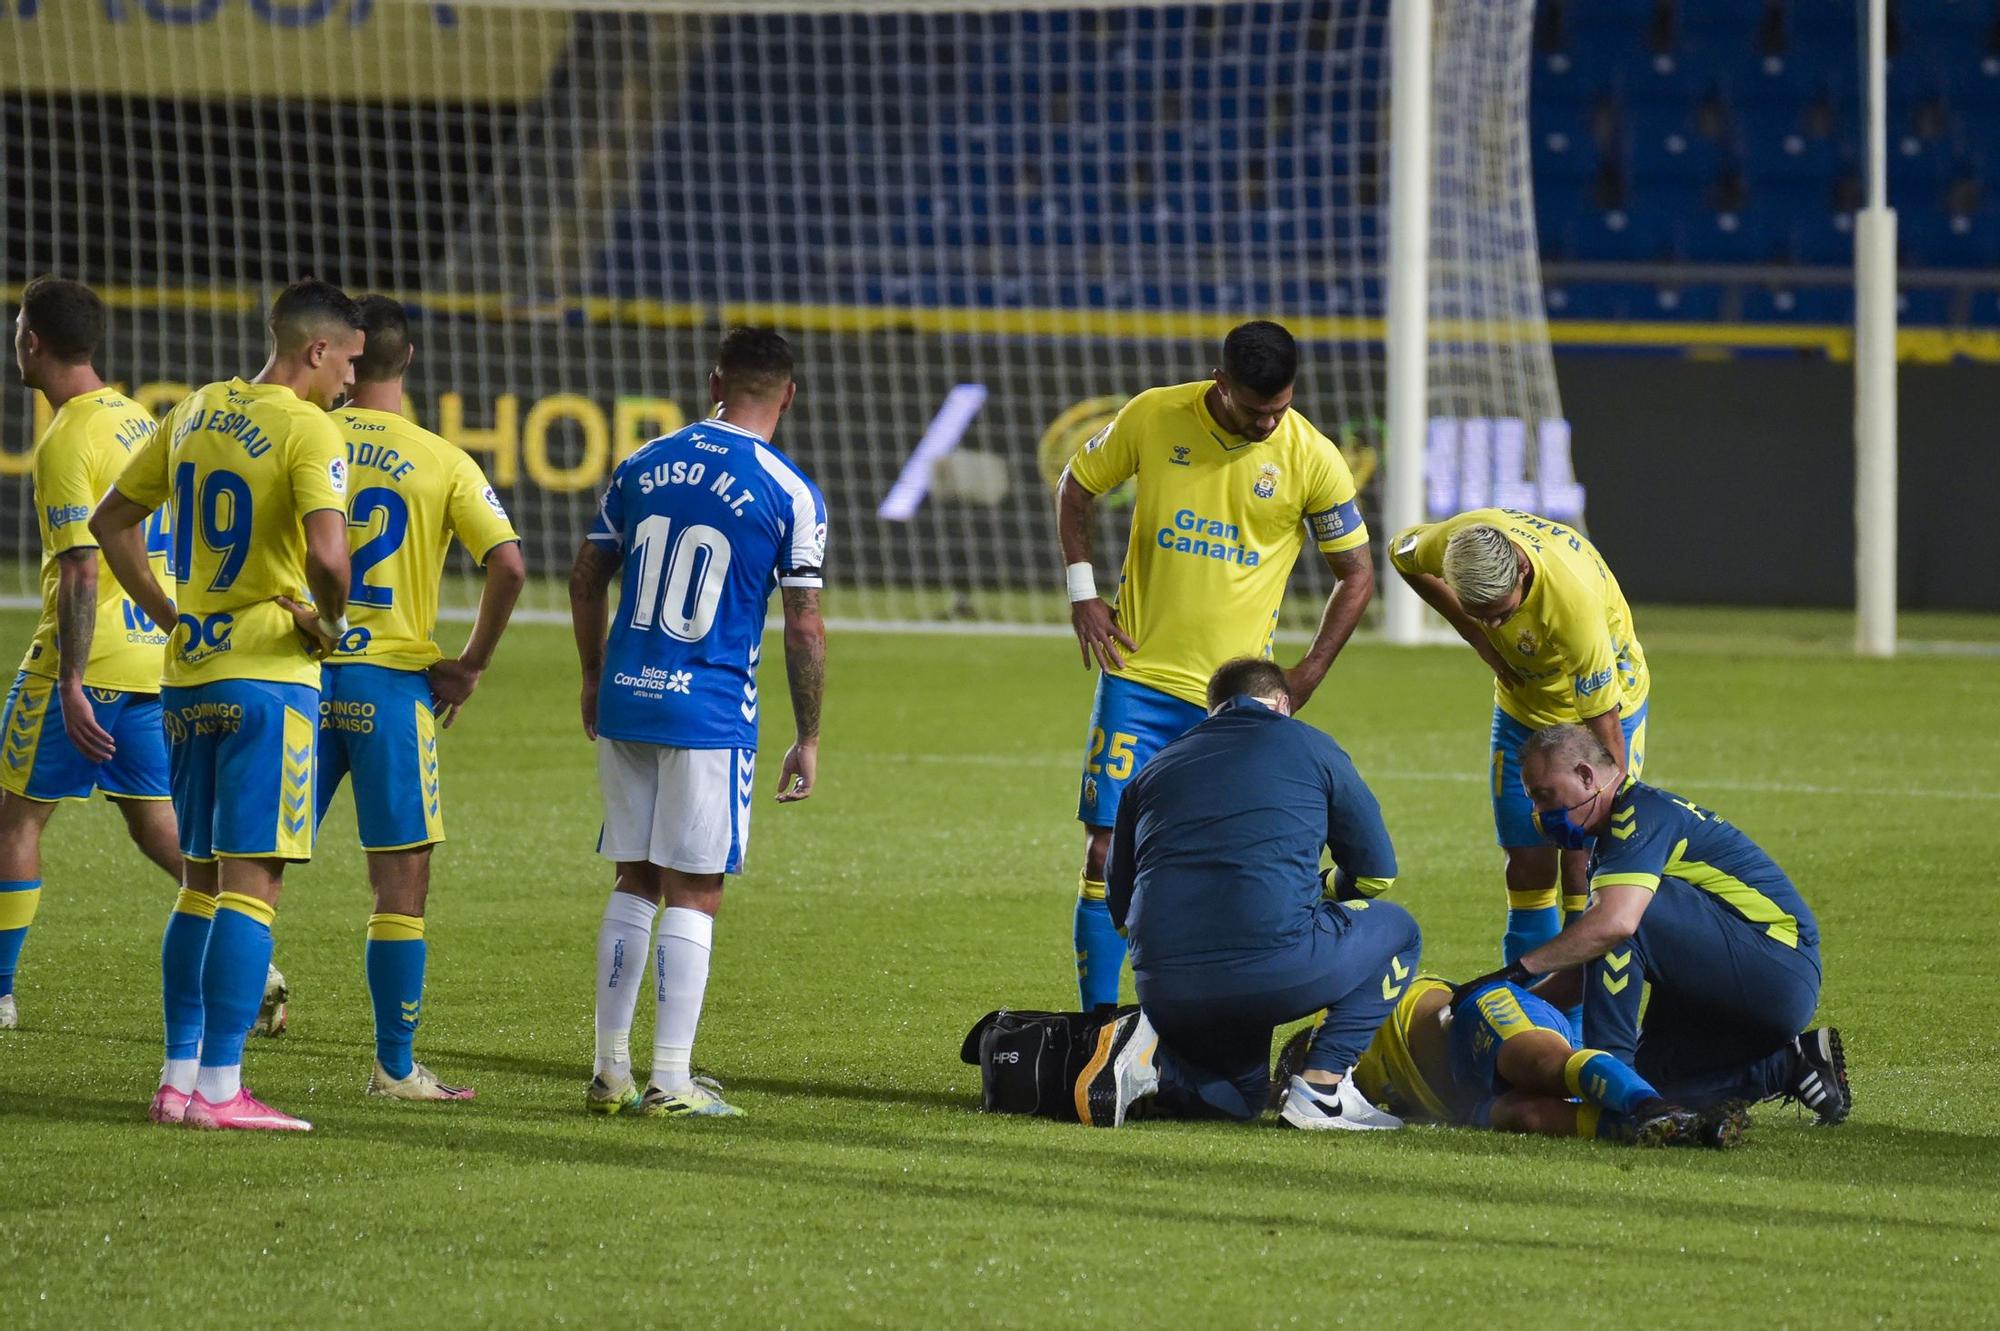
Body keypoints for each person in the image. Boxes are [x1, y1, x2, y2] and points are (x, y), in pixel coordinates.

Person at [92, 278, 361, 1132]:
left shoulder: (197, 407)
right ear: (316, 350)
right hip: (268, 679)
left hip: (187, 674)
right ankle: (221, 1088)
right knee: (254, 885)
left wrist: (170, 612)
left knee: (198, 885)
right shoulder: (309, 426)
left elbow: (112, 520)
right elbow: (328, 554)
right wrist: (333, 620)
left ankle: (177, 1080)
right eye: (348, 361)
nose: (351, 380)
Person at [1057, 320, 1375, 1010]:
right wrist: (1085, 595)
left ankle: (1202, 1014)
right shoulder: (1153, 415)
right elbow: (1076, 488)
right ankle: (1100, 1022)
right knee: (1107, 854)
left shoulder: (1313, 458)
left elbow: (1356, 573)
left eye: (1280, 407)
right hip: (1138, 681)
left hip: (1235, 708)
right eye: (1254, 407)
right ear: (1218, 380)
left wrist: (1309, 672)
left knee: (1230, 865)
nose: (1268, 421)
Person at [569, 327, 827, 1119]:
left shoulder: (641, 463)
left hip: (627, 694)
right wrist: (809, 734)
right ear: (788, 393)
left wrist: (591, 674)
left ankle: (609, 1070)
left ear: (714, 379)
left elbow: (585, 576)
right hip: (708, 707)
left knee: (634, 873)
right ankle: (671, 1081)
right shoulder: (789, 489)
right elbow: (804, 623)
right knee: (697, 884)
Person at [317, 295, 526, 1100]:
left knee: (245, 868)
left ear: (344, 355)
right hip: (391, 684)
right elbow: (507, 563)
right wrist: (468, 665)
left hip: (298, 671)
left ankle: (201, 1062)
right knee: (400, 878)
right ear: (406, 362)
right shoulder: (441, 459)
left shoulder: (306, 434)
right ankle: (393, 1067)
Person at [1078, 657, 1418, 1130]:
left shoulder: (1155, 767)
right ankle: (1321, 1089)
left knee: (1241, 1099)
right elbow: (1377, 874)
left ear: (1211, 710)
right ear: (1283, 704)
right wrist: (1322, 890)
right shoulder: (1312, 746)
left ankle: (1152, 1067)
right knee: (1400, 931)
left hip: (1168, 988)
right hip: (1271, 969)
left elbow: (1119, 909)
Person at [1458, 723, 1850, 1125]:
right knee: (1652, 1093)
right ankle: (1791, 1066)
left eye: (1544, 796)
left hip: (1776, 967)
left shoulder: (1636, 816)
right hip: (1745, 980)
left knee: (1614, 926)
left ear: (1585, 775)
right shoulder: (1618, 835)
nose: (1539, 814)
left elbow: (1616, 926)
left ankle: (1610, 1069)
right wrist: (1516, 1006)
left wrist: (1516, 970)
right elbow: (1588, 966)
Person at [0, 277, 178, 1031]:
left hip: (88, 661)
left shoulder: (68, 436)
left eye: (17, 327)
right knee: (153, 818)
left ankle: (0, 990)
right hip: (151, 659)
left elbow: (82, 566)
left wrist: (70, 679)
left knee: (13, 822)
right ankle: (245, 939)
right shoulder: (141, 421)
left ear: (32, 342)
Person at [1387, 509, 1651, 971]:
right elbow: (1401, 556)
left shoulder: (1572, 606)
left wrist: (1611, 802)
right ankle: (1529, 1015)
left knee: (1582, 862)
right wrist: (1478, 638)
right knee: (1525, 857)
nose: (1494, 625)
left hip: (1604, 707)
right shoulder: (1449, 543)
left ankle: (1578, 1019)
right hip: (1522, 707)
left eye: (1503, 614)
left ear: (1523, 571)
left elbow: (1603, 723)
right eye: (1480, 614)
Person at [1303, 973, 1749, 1147]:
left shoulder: (1340, 1023)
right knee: (1528, 1115)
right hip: (1463, 1104)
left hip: (1472, 1017)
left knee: (1543, 1066)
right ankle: (1677, 1131)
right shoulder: (1339, 1095)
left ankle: (1654, 1107)